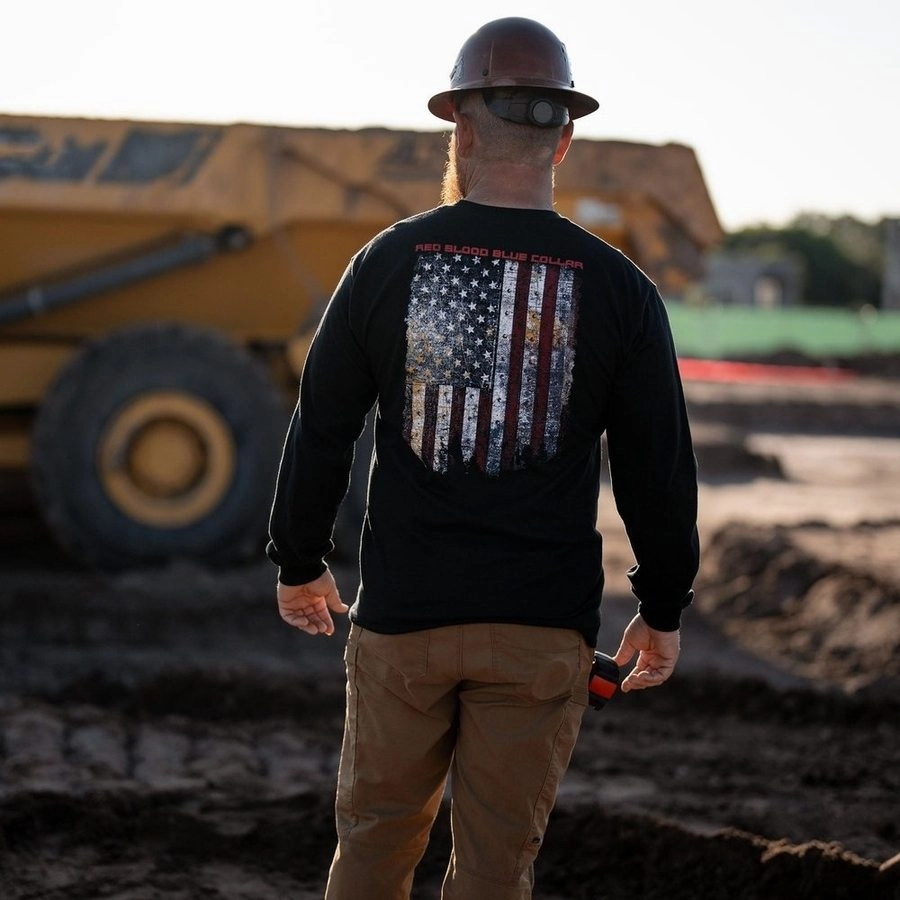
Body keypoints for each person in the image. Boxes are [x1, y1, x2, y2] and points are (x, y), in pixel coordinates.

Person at [267, 16, 699, 899]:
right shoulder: (620, 289)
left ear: (458, 128)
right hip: (540, 630)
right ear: (565, 140)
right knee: (498, 870)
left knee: (375, 851)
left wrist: (301, 560)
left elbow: (322, 426)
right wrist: (662, 605)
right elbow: (658, 464)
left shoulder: (387, 263)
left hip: (403, 623)